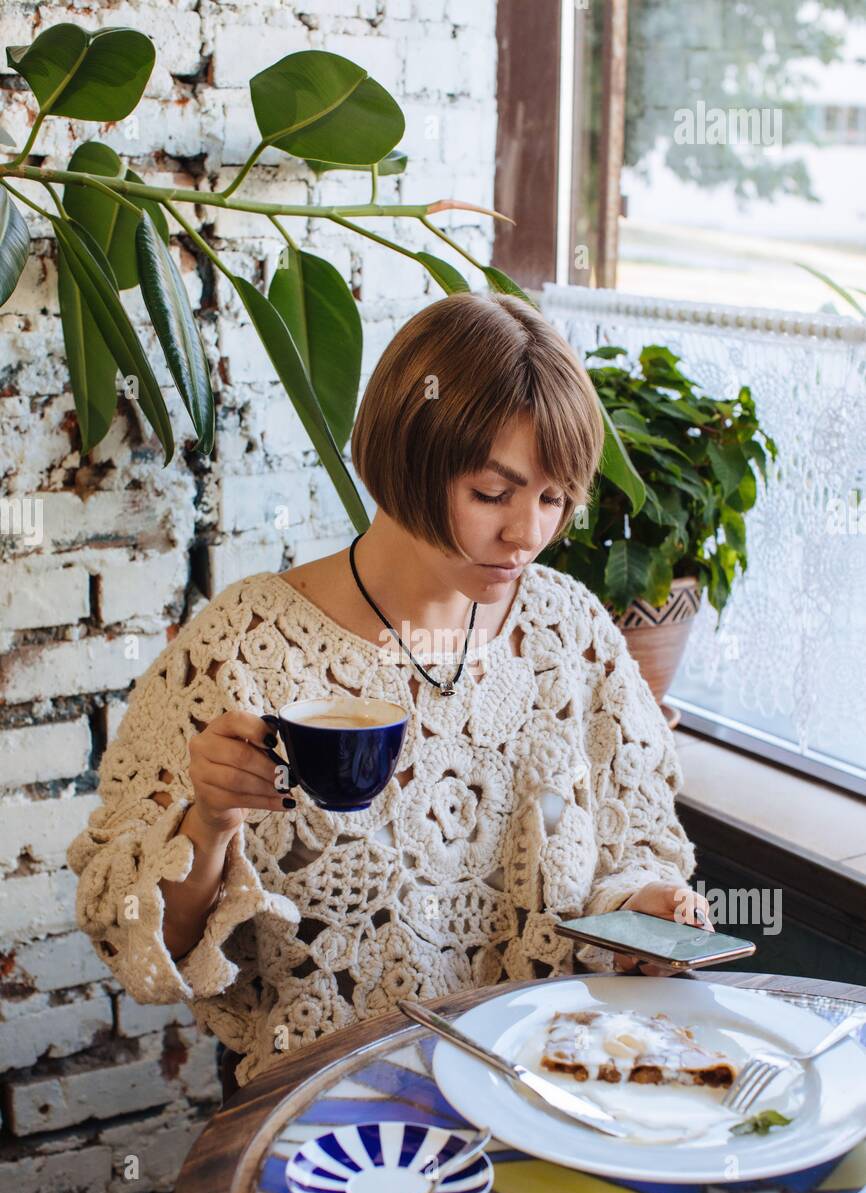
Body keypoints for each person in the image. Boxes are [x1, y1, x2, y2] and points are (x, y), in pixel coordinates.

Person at [67, 292, 712, 1091]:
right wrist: (207, 819)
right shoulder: (242, 651)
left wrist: (649, 912)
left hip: (551, 1096)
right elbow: (129, 929)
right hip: (331, 1125)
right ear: (407, 458)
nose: (526, 536)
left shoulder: (572, 632)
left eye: (553, 499)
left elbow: (634, 850)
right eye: (491, 494)